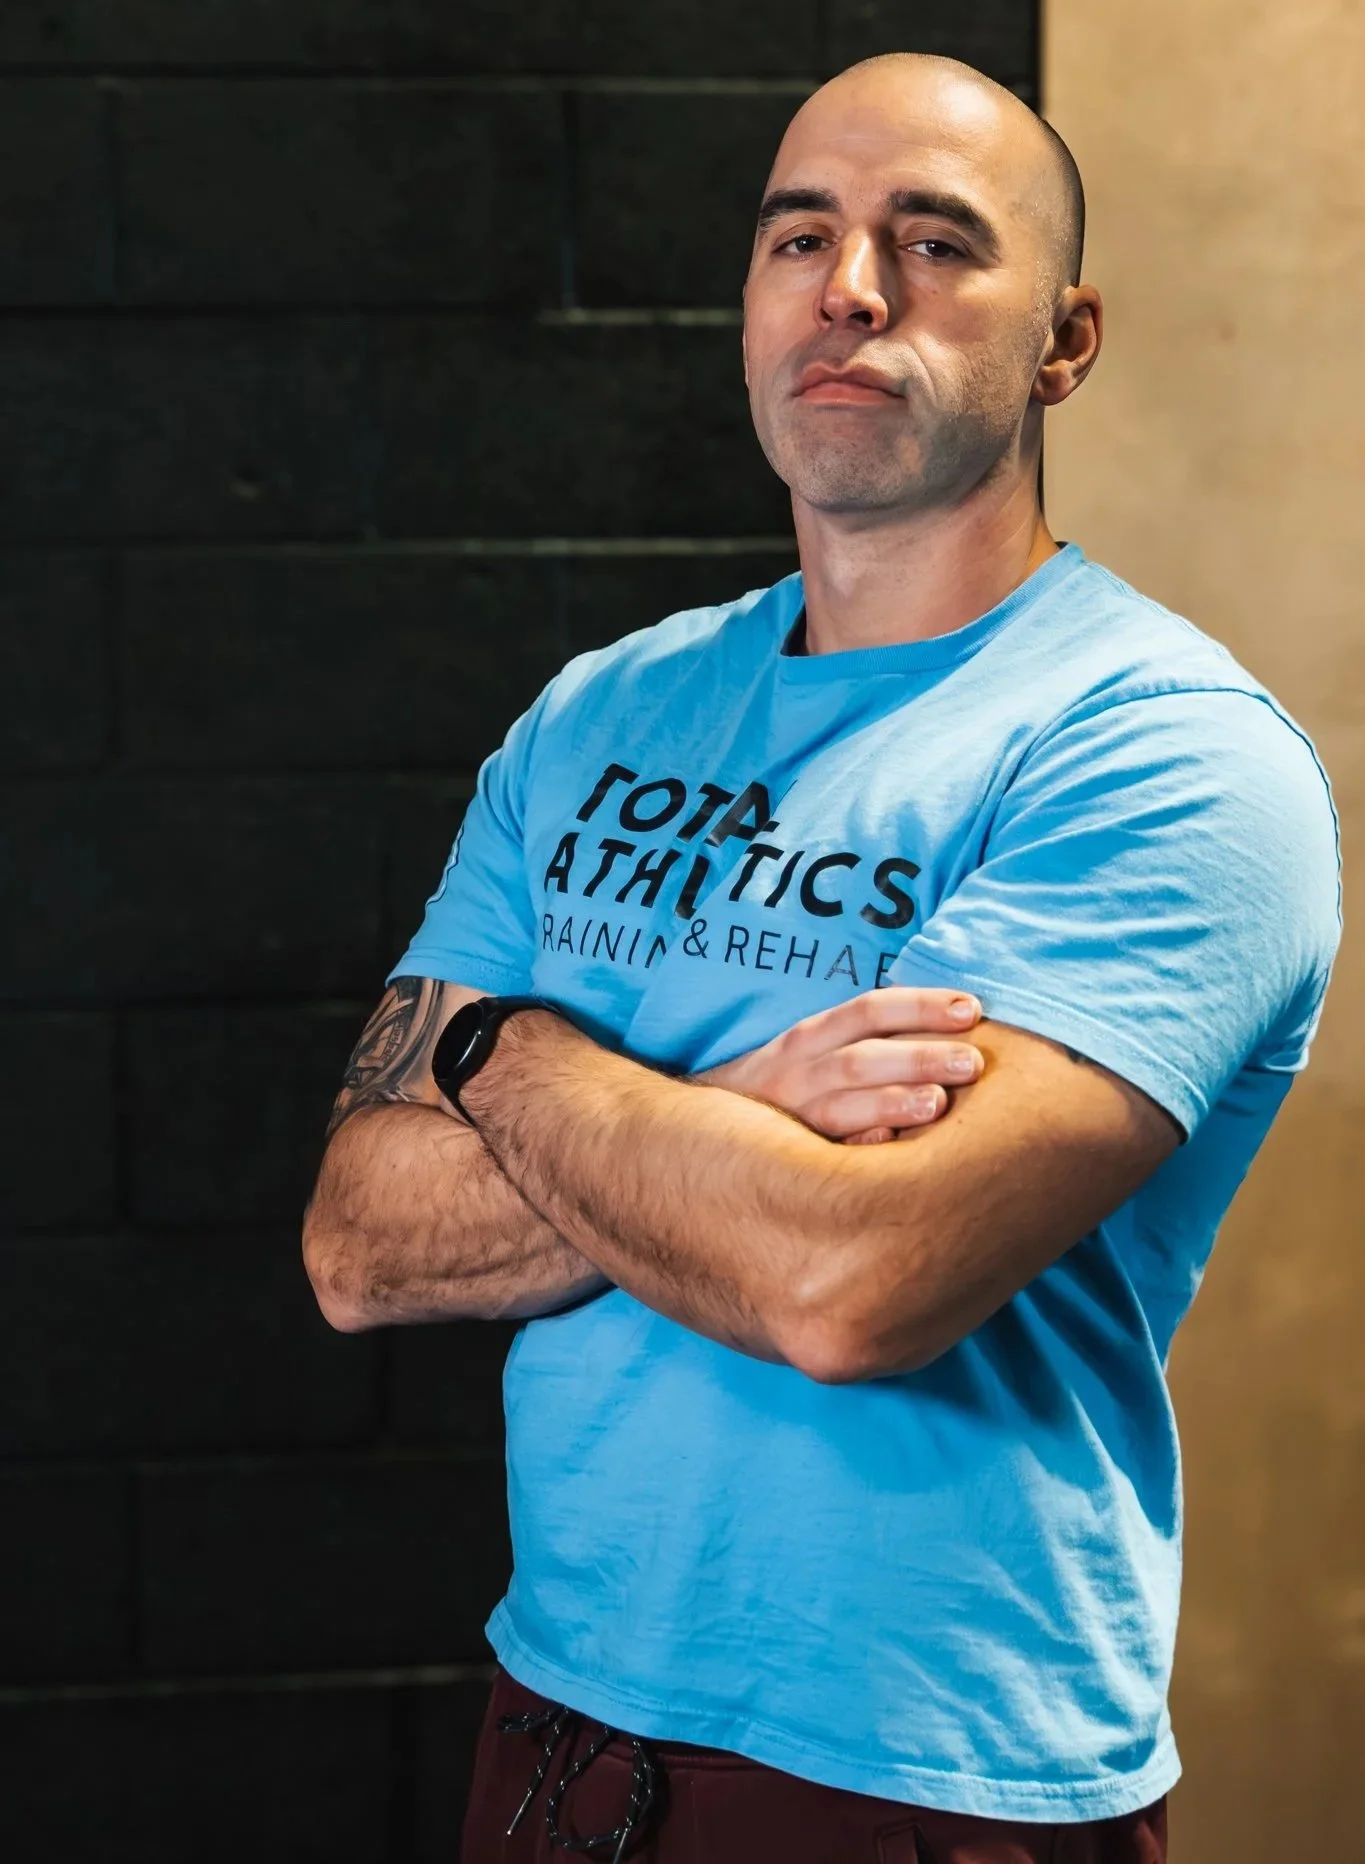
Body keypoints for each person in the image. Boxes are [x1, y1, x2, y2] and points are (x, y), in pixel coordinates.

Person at [302, 51, 1340, 1864]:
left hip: (923, 1775)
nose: (852, 289)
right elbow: (358, 1243)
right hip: (557, 1715)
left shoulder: (1162, 751)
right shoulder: (599, 715)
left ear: (1067, 340)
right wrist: (737, 1108)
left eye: (935, 241)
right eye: (802, 237)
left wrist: (498, 1052)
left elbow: (845, 1285)